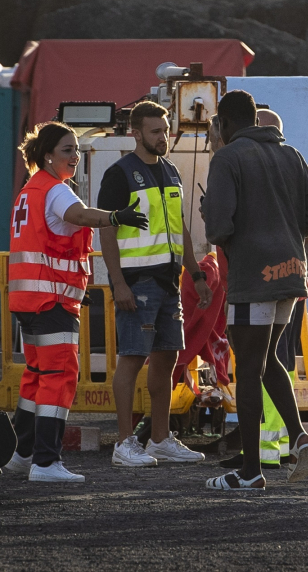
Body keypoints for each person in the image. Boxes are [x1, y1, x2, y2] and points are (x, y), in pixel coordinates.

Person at [3, 122, 148, 482]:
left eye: (76, 150)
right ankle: (46, 462)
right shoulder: (56, 191)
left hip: (29, 300)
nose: (74, 156)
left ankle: (22, 455)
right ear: (48, 155)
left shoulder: (29, 191)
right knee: (60, 375)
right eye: (67, 150)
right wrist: (115, 217)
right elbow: (79, 217)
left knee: (37, 375)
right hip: (49, 301)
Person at [203, 90, 308, 491]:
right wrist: (284, 240)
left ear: (223, 124)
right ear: (255, 118)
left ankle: (251, 472)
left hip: (251, 276)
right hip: (290, 273)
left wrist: (239, 237)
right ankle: (298, 436)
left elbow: (219, 228)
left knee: (249, 368)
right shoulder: (291, 155)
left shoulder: (227, 158)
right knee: (267, 357)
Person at [98, 101, 211, 468]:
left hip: (170, 282)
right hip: (137, 282)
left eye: (166, 130)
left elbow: (179, 229)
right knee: (132, 358)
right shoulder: (120, 174)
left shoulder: (172, 171)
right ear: (136, 133)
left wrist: (196, 275)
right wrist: (118, 284)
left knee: (167, 357)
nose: (163, 137)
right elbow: (107, 231)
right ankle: (124, 443)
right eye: (155, 131)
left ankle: (160, 439)